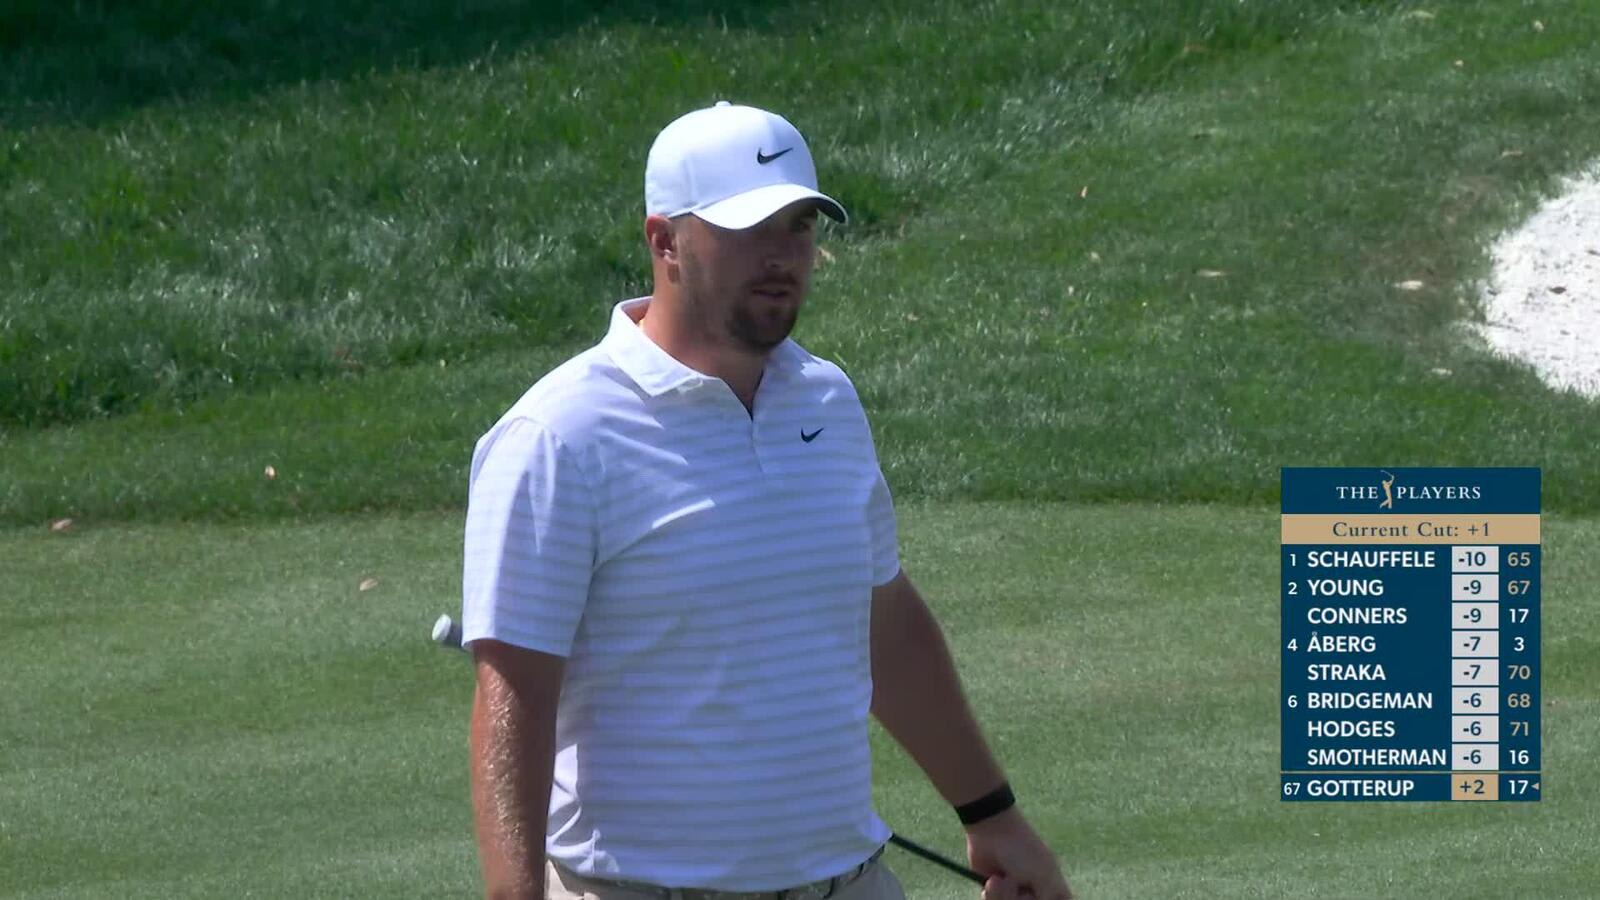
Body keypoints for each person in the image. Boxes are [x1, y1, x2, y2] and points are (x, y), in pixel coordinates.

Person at [461, 101, 1073, 900]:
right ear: (664, 241)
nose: (782, 256)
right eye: (750, 230)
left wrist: (992, 814)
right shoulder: (560, 434)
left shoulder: (825, 400)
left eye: (799, 228)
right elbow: (515, 694)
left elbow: (884, 626)